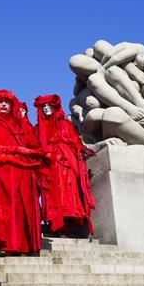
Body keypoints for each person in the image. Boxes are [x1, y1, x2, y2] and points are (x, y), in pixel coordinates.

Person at [0, 90, 44, 257]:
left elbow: (32, 144)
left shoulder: (19, 124)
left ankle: (24, 245)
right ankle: (0, 244)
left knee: (21, 207)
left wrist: (23, 122)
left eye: (6, 102)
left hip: (22, 171)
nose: (3, 105)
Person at [34, 94, 95, 238]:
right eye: (44, 107)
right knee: (52, 196)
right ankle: (56, 225)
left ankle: (68, 226)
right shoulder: (38, 129)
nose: (47, 109)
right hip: (49, 167)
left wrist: (81, 151)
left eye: (49, 106)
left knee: (67, 196)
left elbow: (75, 143)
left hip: (66, 167)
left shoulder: (65, 125)